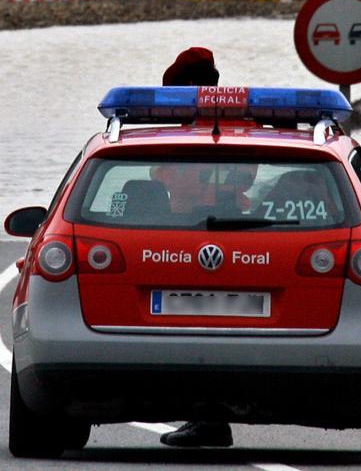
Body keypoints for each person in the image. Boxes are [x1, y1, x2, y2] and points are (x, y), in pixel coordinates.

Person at [155, 47, 235, 449]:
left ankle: (208, 419)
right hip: (245, 239)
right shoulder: (242, 125)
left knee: (196, 329)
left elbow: (161, 175)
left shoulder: (177, 132)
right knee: (219, 330)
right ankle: (208, 416)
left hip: (182, 237)